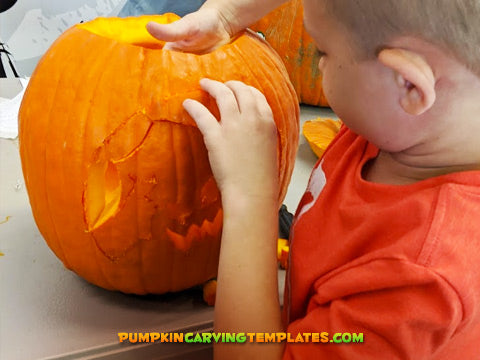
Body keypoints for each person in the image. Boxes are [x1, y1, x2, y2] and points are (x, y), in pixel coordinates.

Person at [147, 1, 480, 359]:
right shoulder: (417, 120)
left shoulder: (418, 281)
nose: (318, 62)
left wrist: (252, 196)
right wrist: (228, 14)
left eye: (322, 50)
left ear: (409, 85)